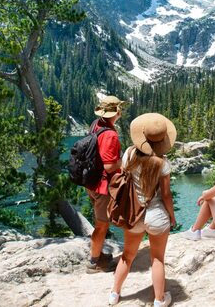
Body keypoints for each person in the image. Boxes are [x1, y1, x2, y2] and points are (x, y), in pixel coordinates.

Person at [108, 113, 177, 307]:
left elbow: (124, 176)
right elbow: (166, 195)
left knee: (127, 256)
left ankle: (114, 294)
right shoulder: (163, 163)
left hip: (133, 213)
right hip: (156, 215)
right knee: (157, 259)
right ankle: (159, 299)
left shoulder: (129, 154)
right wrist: (171, 217)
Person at [87, 95, 125, 274]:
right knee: (102, 225)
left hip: (91, 181)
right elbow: (109, 166)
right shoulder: (109, 134)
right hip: (102, 187)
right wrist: (123, 162)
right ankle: (94, 263)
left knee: (100, 222)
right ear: (117, 111)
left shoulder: (96, 124)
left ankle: (98, 254)